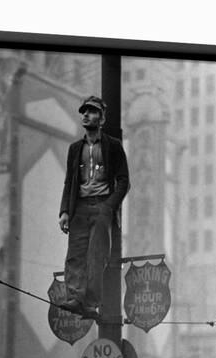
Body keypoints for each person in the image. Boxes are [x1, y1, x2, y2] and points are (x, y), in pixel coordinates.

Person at [59, 95, 130, 318]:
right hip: (79, 207)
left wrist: (109, 207)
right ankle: (74, 298)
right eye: (84, 111)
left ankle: (90, 304)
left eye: (91, 111)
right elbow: (69, 181)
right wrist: (64, 211)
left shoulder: (113, 146)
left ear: (101, 117)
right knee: (75, 254)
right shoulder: (75, 148)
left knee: (97, 255)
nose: (86, 115)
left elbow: (124, 181)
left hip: (102, 207)